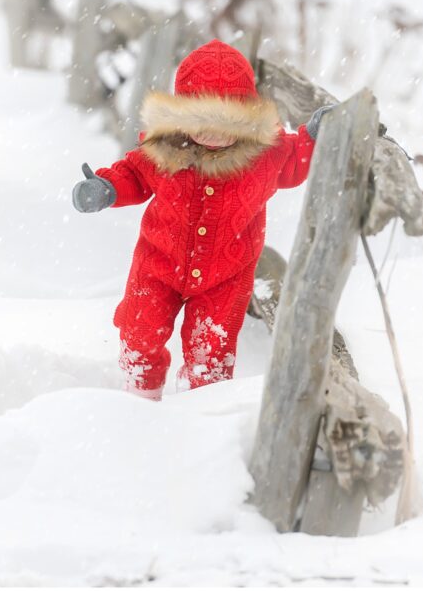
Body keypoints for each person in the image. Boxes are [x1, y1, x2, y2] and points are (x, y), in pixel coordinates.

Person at [72, 39, 333, 400]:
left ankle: (198, 414)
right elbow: (133, 173)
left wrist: (316, 136)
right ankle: (138, 399)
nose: (213, 132)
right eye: (201, 120)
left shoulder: (266, 156)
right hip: (157, 265)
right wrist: (105, 188)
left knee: (211, 352)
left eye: (226, 120)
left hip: (225, 276)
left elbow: (296, 158)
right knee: (139, 332)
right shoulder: (164, 150)